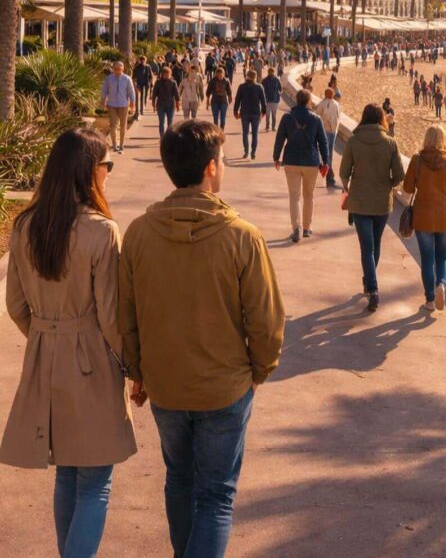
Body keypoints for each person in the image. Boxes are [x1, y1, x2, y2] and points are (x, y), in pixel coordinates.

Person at [119, 121, 285, 558]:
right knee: (215, 496)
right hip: (224, 387)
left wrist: (137, 370)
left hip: (165, 385)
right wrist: (259, 372)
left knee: (179, 480)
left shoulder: (138, 233)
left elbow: (126, 314)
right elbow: (266, 321)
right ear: (210, 168)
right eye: (223, 160)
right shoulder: (242, 236)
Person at [0, 128, 136, 554]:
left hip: (44, 354)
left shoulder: (26, 225)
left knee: (67, 472)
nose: (108, 172)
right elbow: (111, 315)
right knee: (95, 480)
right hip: (91, 357)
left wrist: (46, 335)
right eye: (107, 165)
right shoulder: (101, 230)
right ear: (90, 170)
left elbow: (16, 304)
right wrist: (134, 367)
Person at [339, 104, 405, 313]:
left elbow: (343, 172)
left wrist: (347, 186)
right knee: (375, 244)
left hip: (359, 201)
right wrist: (388, 184)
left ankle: (372, 288)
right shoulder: (390, 143)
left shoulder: (354, 141)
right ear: (381, 120)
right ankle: (370, 283)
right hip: (382, 203)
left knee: (366, 247)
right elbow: (400, 175)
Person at [402, 125, 446, 312]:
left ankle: (430, 300)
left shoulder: (417, 160)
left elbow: (407, 188)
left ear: (426, 139)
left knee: (427, 258)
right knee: (443, 256)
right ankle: (441, 285)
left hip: (423, 217)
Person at [273, 89, 329, 242]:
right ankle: (306, 228)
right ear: (309, 101)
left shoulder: (287, 117)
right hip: (311, 161)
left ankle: (296, 228)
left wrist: (276, 157)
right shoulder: (316, 119)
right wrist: (326, 162)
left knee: (294, 196)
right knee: (308, 195)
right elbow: (323, 142)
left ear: (297, 100)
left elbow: (280, 138)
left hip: (291, 161)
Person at [101, 60, 135, 155]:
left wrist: (132, 102)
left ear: (123, 69)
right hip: (111, 105)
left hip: (124, 105)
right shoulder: (109, 79)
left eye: (119, 69)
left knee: (123, 125)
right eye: (116, 69)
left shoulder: (127, 79)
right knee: (113, 125)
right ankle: (115, 145)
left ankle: (121, 145)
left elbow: (131, 91)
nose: (118, 70)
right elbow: (104, 90)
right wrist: (103, 101)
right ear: (113, 69)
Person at [234, 70, 267, 160]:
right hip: (256, 113)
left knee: (245, 133)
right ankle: (253, 153)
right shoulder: (259, 87)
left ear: (247, 76)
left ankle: (246, 152)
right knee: (255, 134)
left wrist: (235, 111)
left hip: (245, 113)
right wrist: (263, 112)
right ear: (255, 77)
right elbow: (263, 101)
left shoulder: (241, 87)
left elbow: (237, 100)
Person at [315, 88, 341, 187]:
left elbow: (317, 115)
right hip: (328, 131)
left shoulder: (323, 104)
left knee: (328, 154)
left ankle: (327, 172)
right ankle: (329, 175)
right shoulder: (333, 104)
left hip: (330, 131)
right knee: (328, 154)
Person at [152, 65, 181, 137]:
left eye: (168, 74)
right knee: (161, 122)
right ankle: (162, 137)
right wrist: (153, 103)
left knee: (170, 123)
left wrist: (178, 105)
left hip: (170, 105)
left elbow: (176, 95)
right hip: (160, 105)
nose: (167, 76)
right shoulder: (158, 82)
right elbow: (154, 94)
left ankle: (168, 137)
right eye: (165, 74)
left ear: (170, 74)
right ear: (162, 74)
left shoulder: (173, 83)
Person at [262, 67, 282, 131]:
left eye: (272, 72)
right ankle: (267, 126)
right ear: (268, 72)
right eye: (270, 72)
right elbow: (261, 90)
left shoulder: (277, 80)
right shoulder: (264, 80)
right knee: (267, 115)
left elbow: (281, 89)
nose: (271, 73)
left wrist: (278, 94)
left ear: (273, 72)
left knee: (274, 115)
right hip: (267, 100)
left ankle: (273, 127)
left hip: (275, 100)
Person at [133, 55, 152, 119]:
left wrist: (151, 83)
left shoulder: (148, 67)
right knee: (139, 96)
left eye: (144, 60)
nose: (143, 61)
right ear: (140, 60)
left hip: (146, 83)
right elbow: (134, 76)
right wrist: (135, 84)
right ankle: (140, 110)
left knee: (144, 96)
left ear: (146, 60)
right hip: (139, 83)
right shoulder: (137, 67)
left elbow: (151, 75)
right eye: (141, 60)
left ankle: (142, 108)